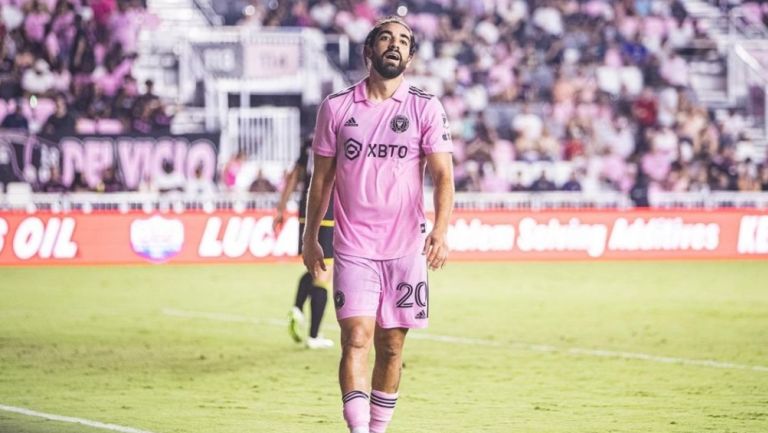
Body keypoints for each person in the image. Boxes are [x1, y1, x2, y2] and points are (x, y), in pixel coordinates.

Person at [302, 16, 454, 433]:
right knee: (356, 338)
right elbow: (322, 179)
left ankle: (377, 428)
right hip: (354, 247)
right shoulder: (337, 107)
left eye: (403, 40)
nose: (394, 44)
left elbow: (443, 175)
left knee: (391, 347)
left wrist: (441, 230)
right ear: (369, 50)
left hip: (406, 249)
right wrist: (311, 236)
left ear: (410, 56)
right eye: (386, 37)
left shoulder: (425, 106)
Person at [273, 135, 334, 350]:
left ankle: (298, 308)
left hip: (306, 210)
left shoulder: (310, 141)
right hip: (329, 209)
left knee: (314, 266)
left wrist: (281, 209)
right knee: (324, 274)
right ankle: (314, 336)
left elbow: (294, 176)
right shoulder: (341, 136)